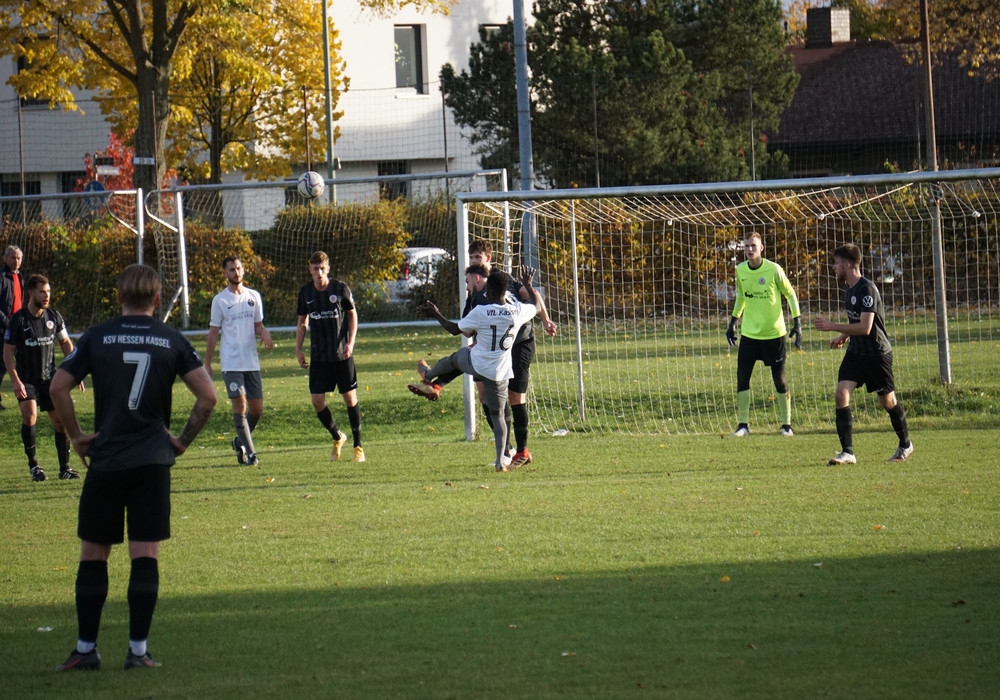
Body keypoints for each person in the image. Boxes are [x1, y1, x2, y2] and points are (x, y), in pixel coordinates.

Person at [49, 263, 217, 671]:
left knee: (94, 553)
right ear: (157, 299)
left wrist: (76, 435)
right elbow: (208, 397)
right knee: (145, 553)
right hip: (152, 462)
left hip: (106, 460)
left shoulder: (98, 336)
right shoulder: (170, 338)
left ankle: (85, 650)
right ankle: (138, 652)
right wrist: (181, 441)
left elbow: (58, 387)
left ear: (119, 296)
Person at [416, 239, 557, 468]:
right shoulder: (475, 294)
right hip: (492, 350)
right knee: (485, 396)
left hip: (519, 344)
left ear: (487, 260)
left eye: (477, 257)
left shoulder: (502, 281)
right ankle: (506, 451)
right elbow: (469, 328)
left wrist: (546, 320)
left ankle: (521, 451)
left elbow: (533, 299)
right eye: (471, 257)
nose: (473, 261)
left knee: (514, 397)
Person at [814, 243, 913, 465]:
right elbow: (855, 322)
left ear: (848, 265)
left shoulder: (867, 289)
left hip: (877, 354)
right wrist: (843, 337)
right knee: (841, 393)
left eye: (836, 263)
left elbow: (866, 327)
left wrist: (832, 326)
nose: (833, 267)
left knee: (887, 401)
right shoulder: (849, 288)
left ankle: (906, 444)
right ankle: (847, 452)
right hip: (856, 353)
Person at [3, 274, 81, 481]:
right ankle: (34, 466)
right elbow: (7, 352)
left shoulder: (54, 316)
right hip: (26, 379)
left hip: (50, 380)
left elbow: (65, 343)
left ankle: (64, 468)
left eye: (48, 292)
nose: (47, 296)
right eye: (42, 292)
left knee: (60, 422)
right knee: (30, 416)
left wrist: (75, 370)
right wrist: (15, 380)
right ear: (31, 293)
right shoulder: (18, 320)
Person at [726, 232, 802, 437]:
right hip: (750, 335)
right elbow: (741, 296)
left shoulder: (774, 270)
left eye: (753, 246)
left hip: (774, 334)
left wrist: (797, 323)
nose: (749, 249)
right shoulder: (741, 270)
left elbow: (790, 294)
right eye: (746, 246)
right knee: (742, 377)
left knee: (780, 380)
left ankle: (786, 425)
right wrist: (733, 322)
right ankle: (743, 425)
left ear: (761, 248)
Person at [203, 255, 274, 467]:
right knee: (241, 405)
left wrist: (264, 332)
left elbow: (258, 325)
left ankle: (238, 442)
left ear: (243, 270)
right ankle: (251, 454)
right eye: (232, 269)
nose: (236, 272)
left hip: (251, 362)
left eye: (239, 268)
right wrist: (208, 363)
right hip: (231, 363)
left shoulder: (253, 296)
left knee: (257, 409)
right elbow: (213, 332)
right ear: (225, 273)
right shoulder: (220, 300)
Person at [295, 251, 365, 463]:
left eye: (322, 268)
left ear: (328, 269)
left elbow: (352, 314)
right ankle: (337, 436)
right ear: (310, 270)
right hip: (319, 356)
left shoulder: (340, 289)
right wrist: (298, 348)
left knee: (350, 399)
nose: (319, 272)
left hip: (342, 354)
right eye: (315, 269)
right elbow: (302, 321)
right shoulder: (305, 292)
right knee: (317, 401)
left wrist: (351, 342)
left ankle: (358, 447)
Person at [0, 245, 26, 410]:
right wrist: (7, 322)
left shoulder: (20, 277)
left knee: (23, 360)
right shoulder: (2, 277)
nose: (16, 261)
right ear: (6, 259)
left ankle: (27, 395)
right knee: (2, 364)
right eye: (13, 257)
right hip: (3, 328)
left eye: (18, 258)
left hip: (17, 327)